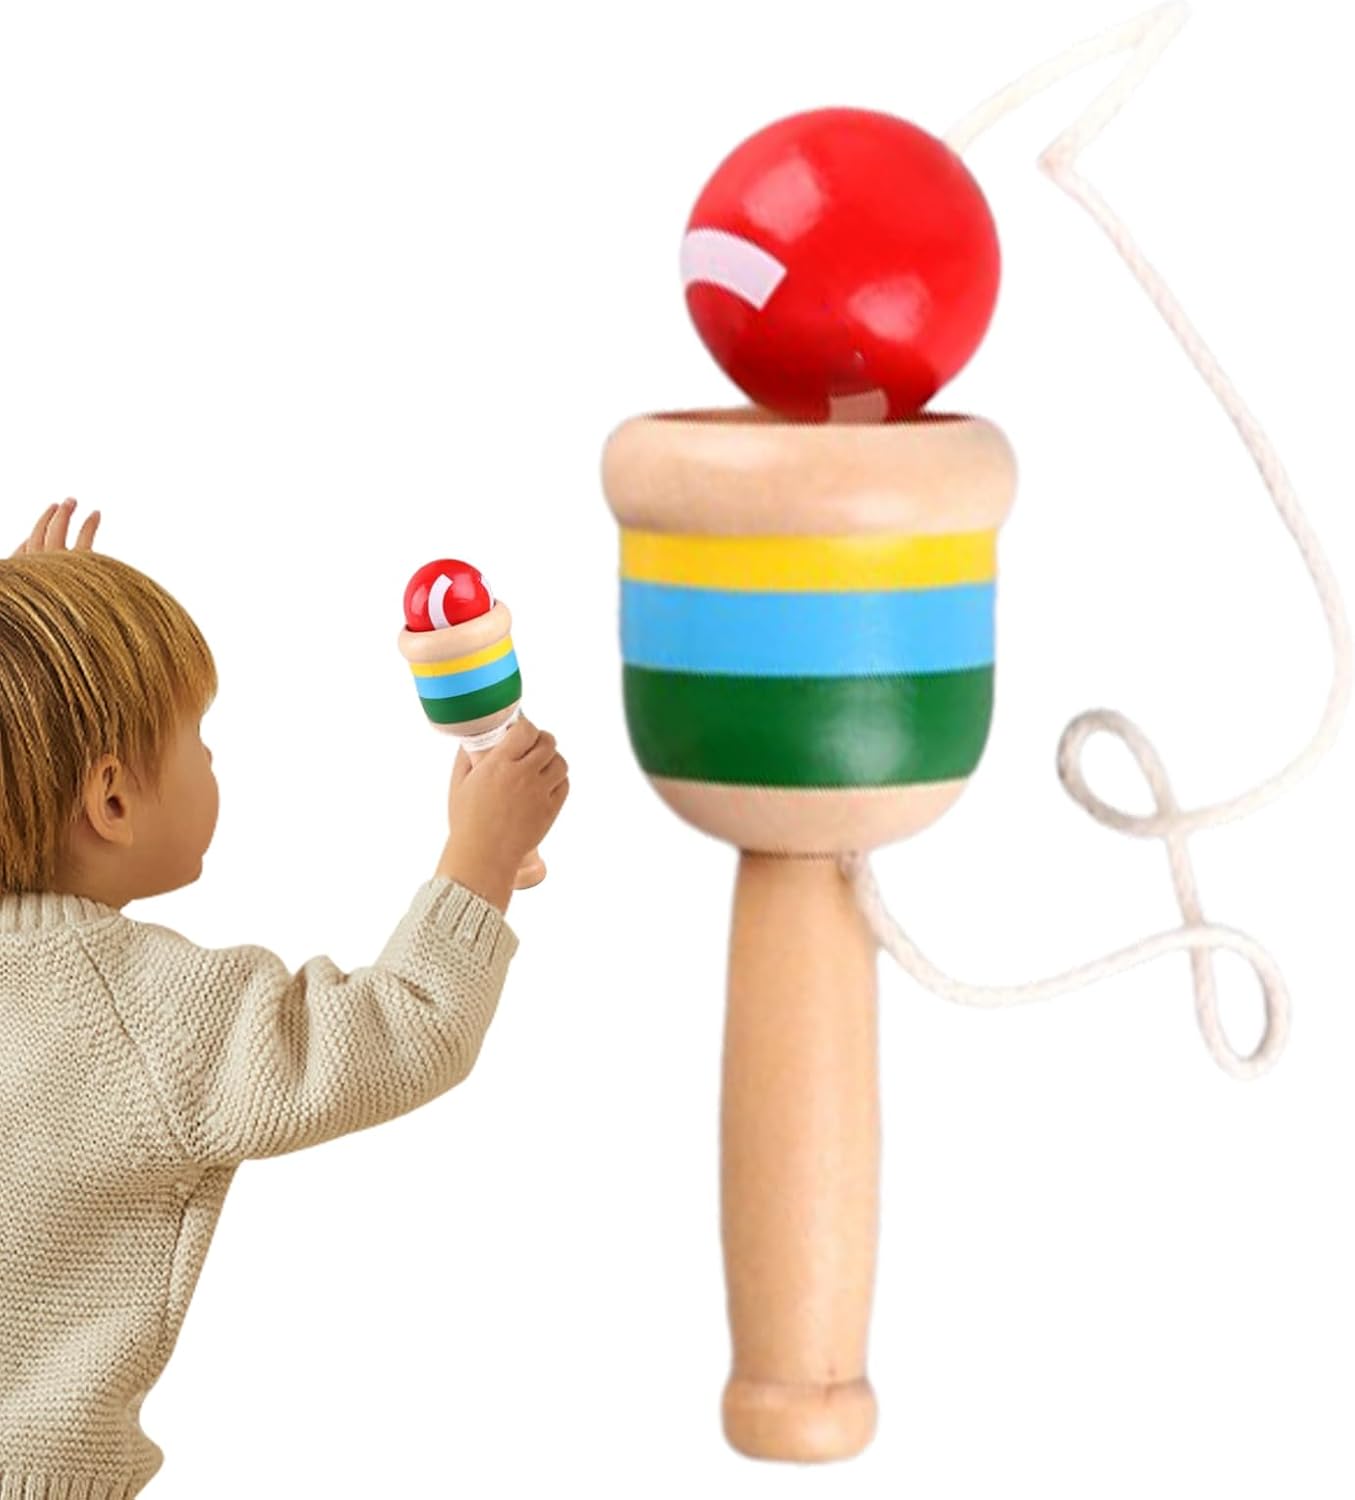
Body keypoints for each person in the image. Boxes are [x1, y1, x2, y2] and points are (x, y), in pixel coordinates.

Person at [0, 498, 569, 1495]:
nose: (211, 759)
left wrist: (29, 648)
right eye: (197, 736)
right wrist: (479, 858)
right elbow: (401, 1028)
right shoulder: (136, 1016)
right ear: (113, 801)